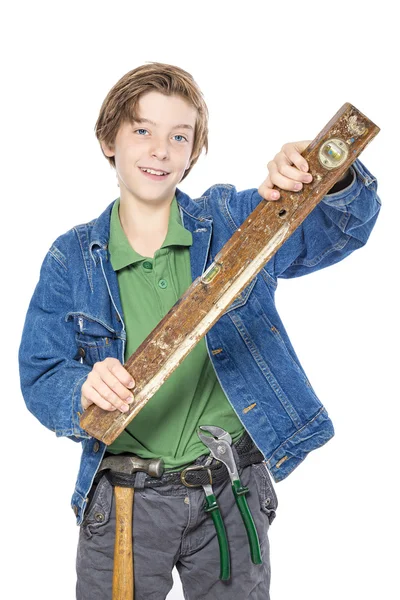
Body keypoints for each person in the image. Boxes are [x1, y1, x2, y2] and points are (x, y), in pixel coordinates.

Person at [19, 62, 381, 599]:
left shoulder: (234, 223)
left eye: (178, 136)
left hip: (230, 493)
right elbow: (42, 372)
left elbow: (339, 231)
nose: (160, 149)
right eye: (142, 130)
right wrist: (81, 390)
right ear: (107, 139)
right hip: (125, 502)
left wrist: (326, 176)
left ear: (193, 152)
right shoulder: (71, 258)